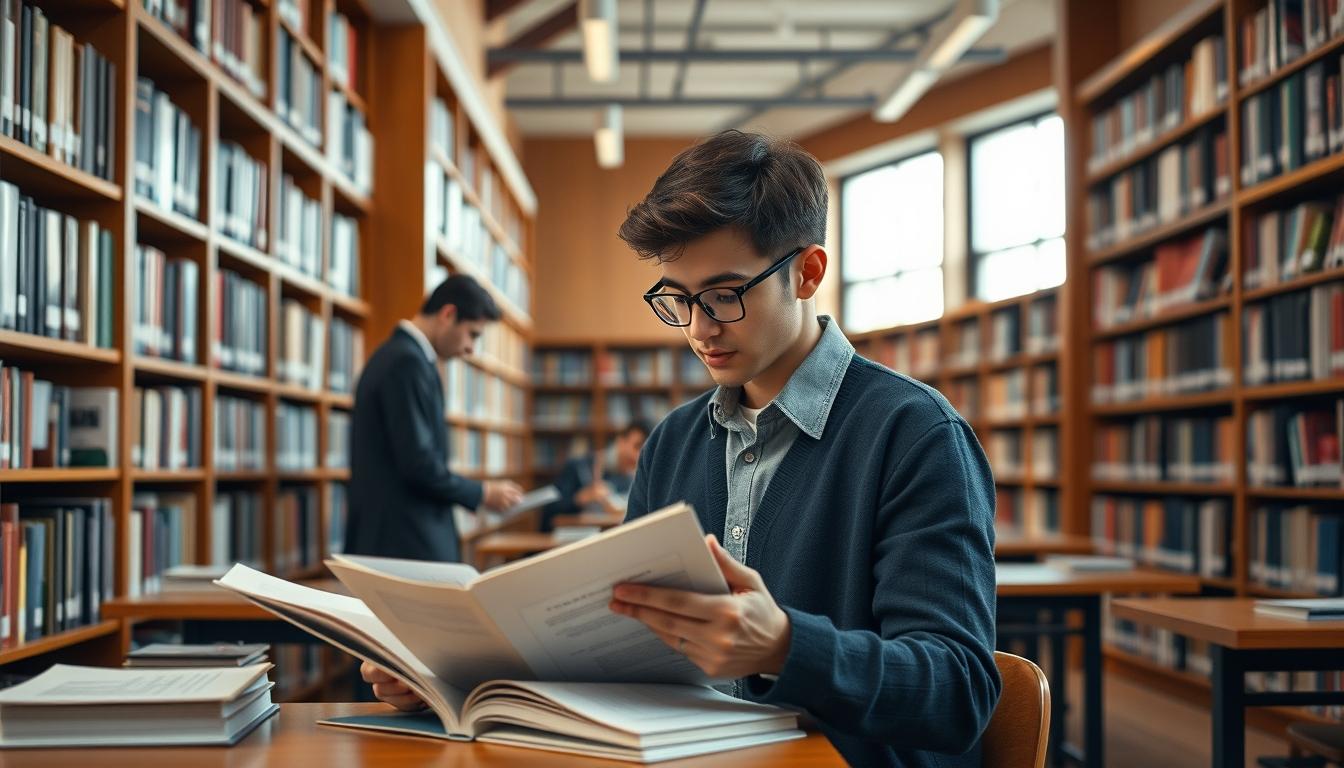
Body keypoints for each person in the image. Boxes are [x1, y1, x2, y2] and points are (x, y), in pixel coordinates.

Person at [362, 132, 1000, 768]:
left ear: (807, 274)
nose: (699, 327)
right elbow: (623, 655)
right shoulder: (671, 442)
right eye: (678, 298)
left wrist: (783, 647)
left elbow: (959, 692)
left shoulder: (914, 435)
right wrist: (457, 682)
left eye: (726, 295)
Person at [344, 275, 524, 563]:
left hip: (402, 540)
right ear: (448, 314)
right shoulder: (406, 363)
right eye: (472, 334)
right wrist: (482, 493)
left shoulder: (406, 358)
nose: (471, 349)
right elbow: (418, 463)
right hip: (403, 545)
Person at [539, 420, 651, 532]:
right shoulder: (579, 467)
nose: (638, 456)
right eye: (637, 447)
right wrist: (580, 498)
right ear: (620, 441)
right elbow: (549, 512)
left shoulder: (634, 480)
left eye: (645, 452)